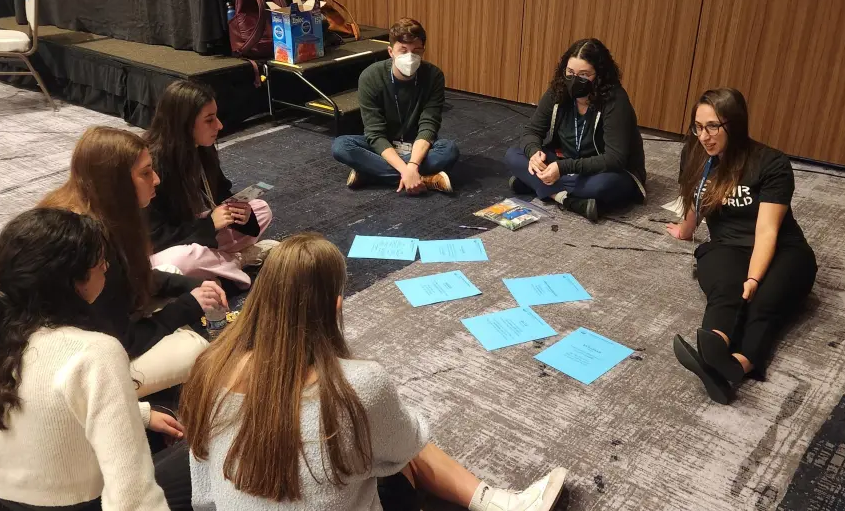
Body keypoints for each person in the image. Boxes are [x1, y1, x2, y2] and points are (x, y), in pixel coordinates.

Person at [179, 233, 567, 511]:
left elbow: (206, 496)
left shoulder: (206, 369)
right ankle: (497, 503)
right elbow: (406, 446)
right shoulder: (356, 385)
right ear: (335, 307)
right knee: (398, 448)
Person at [0, 208, 191, 510]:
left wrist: (140, 414)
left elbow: (47, 401)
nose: (106, 267)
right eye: (99, 262)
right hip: (84, 503)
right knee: (194, 454)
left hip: (4, 502)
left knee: (155, 422)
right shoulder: (95, 352)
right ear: (72, 281)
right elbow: (132, 494)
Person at [40, 127, 226, 398]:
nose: (157, 180)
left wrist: (193, 285)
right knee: (196, 350)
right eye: (145, 172)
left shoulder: (97, 210)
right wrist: (187, 306)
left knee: (173, 273)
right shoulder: (88, 243)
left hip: (102, 328)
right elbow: (121, 341)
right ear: (115, 182)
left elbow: (134, 277)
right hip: (80, 365)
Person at [666, 88, 817, 405]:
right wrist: (686, 228)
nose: (703, 136)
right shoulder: (695, 153)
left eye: (712, 127)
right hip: (727, 247)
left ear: (733, 125)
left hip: (782, 249)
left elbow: (766, 231)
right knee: (725, 289)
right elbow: (694, 193)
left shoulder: (770, 163)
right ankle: (716, 348)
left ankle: (738, 365)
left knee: (762, 302)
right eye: (698, 126)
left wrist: (754, 279)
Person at [145, 80, 277, 289]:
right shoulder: (152, 165)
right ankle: (237, 261)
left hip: (199, 231)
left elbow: (220, 194)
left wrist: (240, 214)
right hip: (165, 249)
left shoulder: (201, 148)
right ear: (185, 124)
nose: (220, 125)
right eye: (209, 120)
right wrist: (209, 225)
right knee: (183, 259)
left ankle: (217, 266)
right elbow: (155, 238)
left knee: (261, 210)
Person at [504, 39, 646, 222]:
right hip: (567, 162)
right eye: (570, 72)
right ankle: (568, 200)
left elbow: (614, 159)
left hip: (604, 170)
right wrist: (534, 153)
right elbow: (532, 130)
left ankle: (537, 184)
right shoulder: (558, 90)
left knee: (604, 185)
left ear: (600, 75)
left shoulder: (615, 101)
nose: (574, 80)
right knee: (513, 155)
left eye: (584, 75)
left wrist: (563, 168)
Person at [331, 17, 458, 195]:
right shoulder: (371, 77)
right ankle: (426, 179)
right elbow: (374, 133)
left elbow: (429, 125)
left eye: (416, 51)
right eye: (403, 50)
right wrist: (407, 171)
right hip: (384, 143)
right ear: (391, 52)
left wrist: (413, 164)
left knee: (449, 149)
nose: (410, 57)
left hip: (416, 146)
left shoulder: (433, 76)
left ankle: (371, 174)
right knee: (341, 146)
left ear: (423, 52)